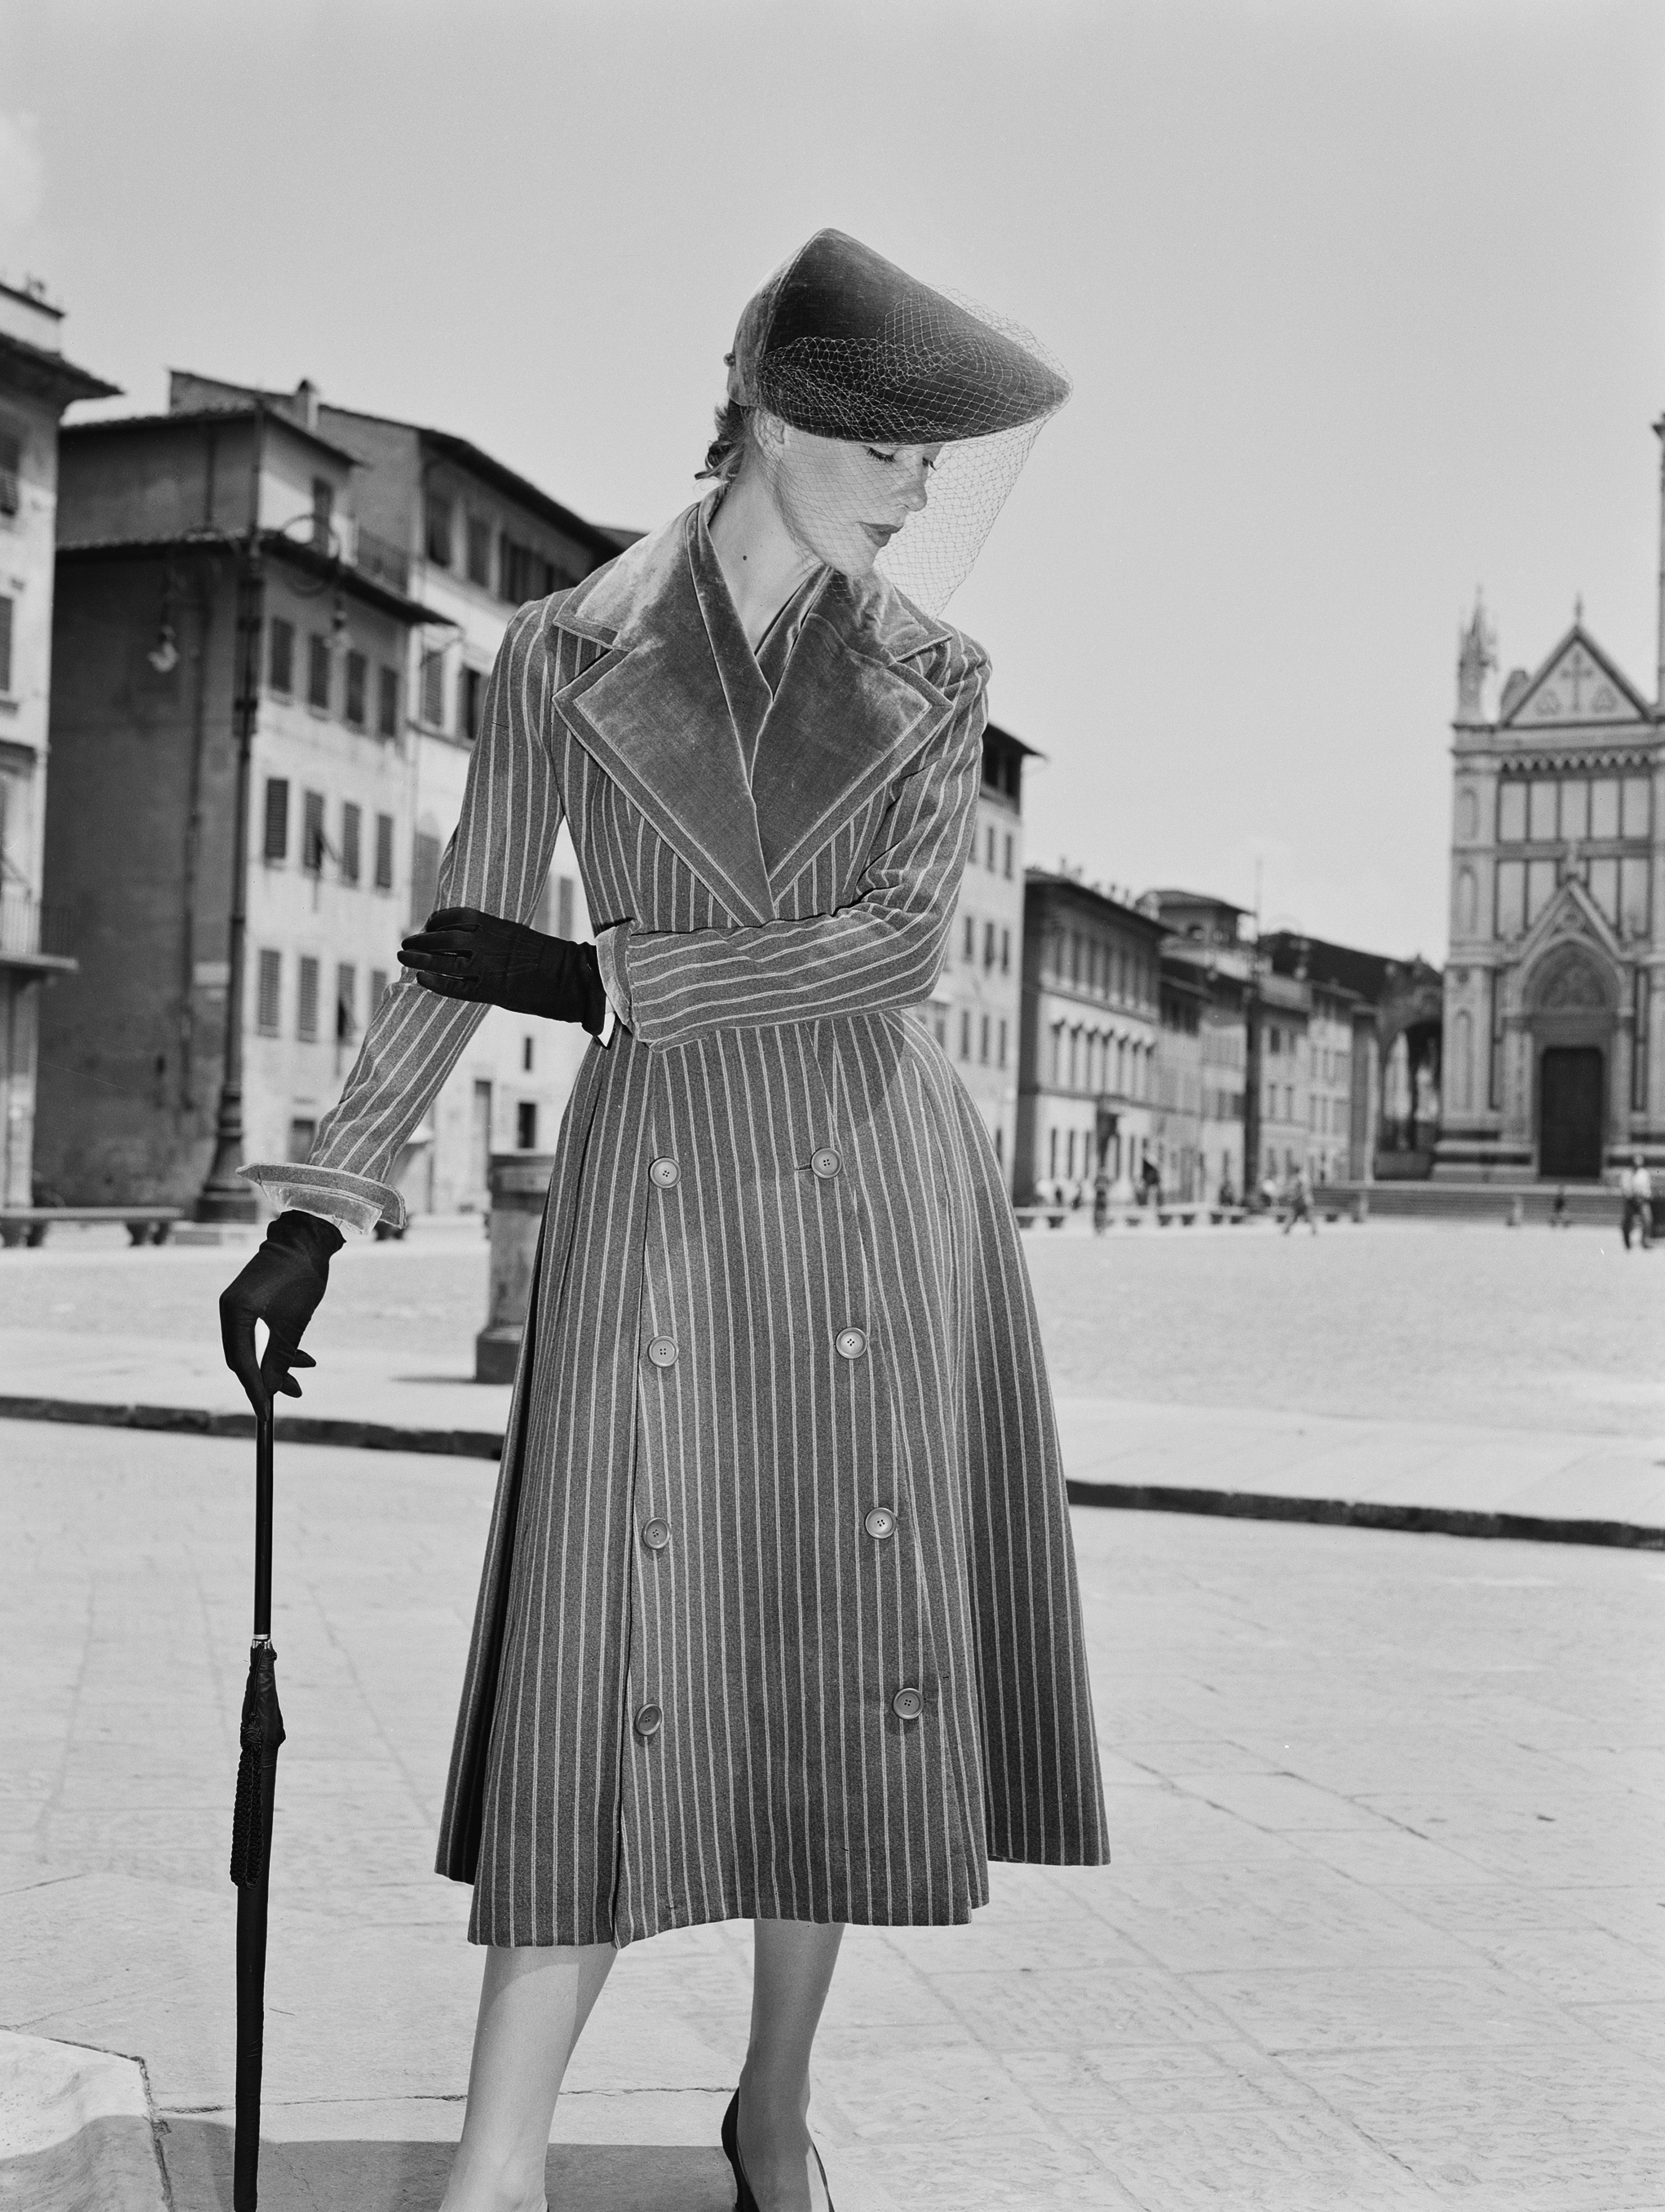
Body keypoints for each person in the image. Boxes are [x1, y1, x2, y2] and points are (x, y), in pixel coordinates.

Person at [219, 229, 1106, 2212]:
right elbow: (456, 937)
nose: (922, 483)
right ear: (786, 418)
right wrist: (324, 1204)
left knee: (841, 1648)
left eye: (936, 455)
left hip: (878, 1185)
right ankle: (495, 2155)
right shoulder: (555, 649)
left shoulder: (938, 674)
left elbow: (894, 947)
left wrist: (607, 981)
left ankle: (773, 2098)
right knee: (610, 1645)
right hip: (664, 1197)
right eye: (893, 444)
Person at [1621, 1154, 1653, 1250]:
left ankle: (1645, 1241)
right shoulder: (1627, 1173)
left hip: (1642, 1201)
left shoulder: (1644, 1173)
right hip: (1631, 1201)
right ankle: (1627, 1242)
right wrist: (1632, 1196)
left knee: (1648, 1220)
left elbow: (1647, 1188)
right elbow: (1625, 1188)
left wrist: (1645, 1196)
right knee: (1628, 1222)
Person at [1282, 1162, 1317, 1236]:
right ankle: (1286, 1230)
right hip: (1303, 1201)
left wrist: (1294, 1196)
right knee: (1296, 1215)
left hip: (1302, 1201)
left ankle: (1286, 1230)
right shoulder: (1302, 1177)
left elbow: (1302, 1190)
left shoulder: (1299, 1178)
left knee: (1296, 1215)